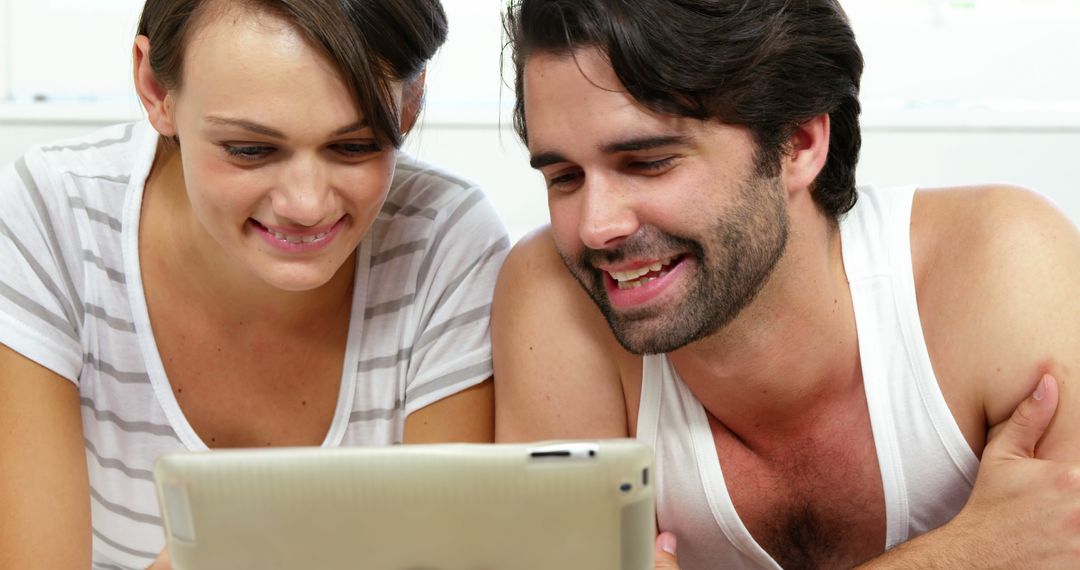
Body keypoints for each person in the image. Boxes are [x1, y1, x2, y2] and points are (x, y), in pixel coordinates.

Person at [493, 0, 1080, 568]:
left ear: (799, 143)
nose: (597, 227)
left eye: (649, 162)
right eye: (564, 177)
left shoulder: (1002, 263)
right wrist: (967, 555)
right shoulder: (554, 295)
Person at [0, 0, 509, 567]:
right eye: (251, 149)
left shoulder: (446, 241)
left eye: (355, 146)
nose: (306, 205)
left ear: (410, 105)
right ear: (153, 88)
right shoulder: (57, 214)